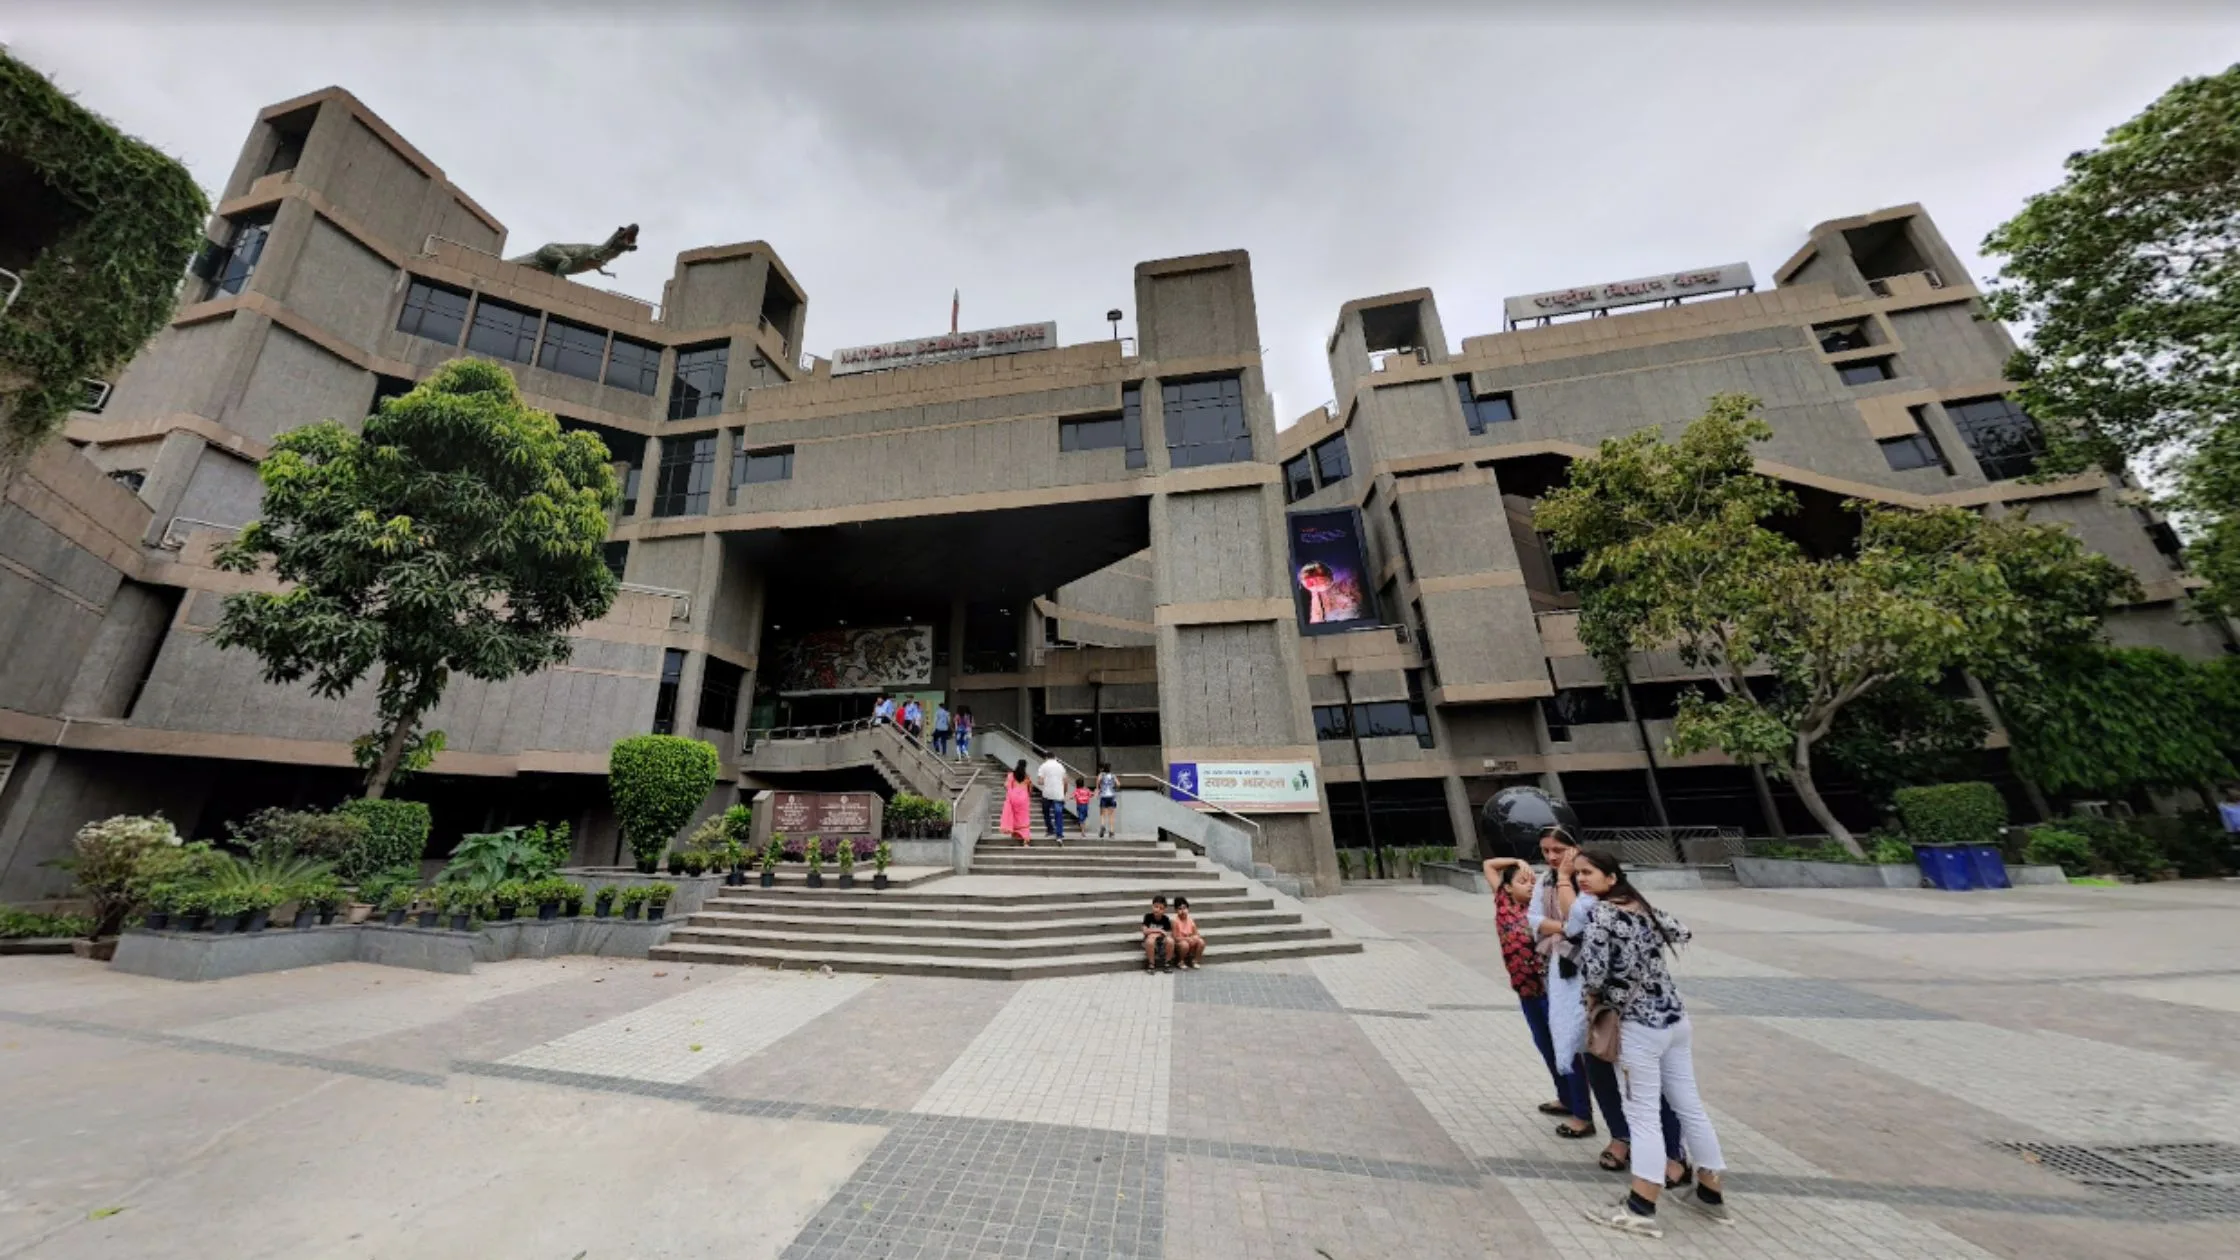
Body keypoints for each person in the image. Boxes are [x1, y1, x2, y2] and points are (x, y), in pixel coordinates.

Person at [1574, 849, 1731, 1237]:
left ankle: (1641, 1206)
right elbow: (1682, 931)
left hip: (1637, 1027)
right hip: (1675, 1019)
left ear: (1611, 878)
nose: (1581, 879)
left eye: (1588, 872)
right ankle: (1711, 1194)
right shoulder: (1643, 909)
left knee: (1641, 1113)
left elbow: (1593, 975)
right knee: (1689, 1104)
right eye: (1578, 873)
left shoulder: (1603, 917)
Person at [1482, 855, 1577, 1121]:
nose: (1530, 886)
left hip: (1550, 990)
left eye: (1532, 881)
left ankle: (1581, 1108)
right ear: (1508, 888)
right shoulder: (1503, 903)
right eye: (1523, 881)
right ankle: (1566, 1098)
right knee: (1545, 1045)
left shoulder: (1541, 910)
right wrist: (1518, 861)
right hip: (1526, 992)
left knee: (1564, 1047)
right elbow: (1489, 865)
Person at [1036, 752, 1069, 844]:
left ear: (1046, 757)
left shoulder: (1043, 766)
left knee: (1046, 812)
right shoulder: (1061, 766)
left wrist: (1047, 781)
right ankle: (1059, 835)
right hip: (1058, 794)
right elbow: (1066, 781)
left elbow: (1040, 781)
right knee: (1058, 814)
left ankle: (1050, 829)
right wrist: (1064, 793)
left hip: (1047, 794)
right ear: (1055, 757)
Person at [1001, 760, 1034, 846]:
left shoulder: (1011, 775)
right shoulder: (1027, 777)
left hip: (1013, 797)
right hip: (1023, 798)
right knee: (1024, 818)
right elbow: (1030, 790)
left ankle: (1014, 834)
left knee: (1014, 816)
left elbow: (1006, 785)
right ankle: (1025, 840)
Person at [1141, 895, 1175, 972]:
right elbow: (1145, 931)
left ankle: (1167, 964)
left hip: (1161, 943)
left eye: (1161, 908)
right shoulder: (1148, 917)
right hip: (1149, 942)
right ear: (1152, 906)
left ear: (1164, 910)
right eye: (1156, 907)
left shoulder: (1165, 919)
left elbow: (1168, 933)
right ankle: (1151, 964)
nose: (1158, 910)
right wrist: (1159, 931)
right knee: (1150, 940)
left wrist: (1155, 934)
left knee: (1171, 941)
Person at [1171, 896, 1206, 969]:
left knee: (1201, 942)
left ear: (1187, 908)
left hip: (1190, 942)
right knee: (1184, 945)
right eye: (1180, 909)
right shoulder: (1175, 921)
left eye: (1184, 908)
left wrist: (1194, 938)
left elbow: (1197, 934)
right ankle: (1181, 961)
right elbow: (1175, 938)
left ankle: (1195, 961)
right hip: (1180, 944)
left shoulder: (1190, 920)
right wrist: (1187, 939)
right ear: (1176, 910)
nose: (1183, 911)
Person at [1097, 763, 1119, 838]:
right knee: (1111, 815)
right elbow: (1118, 784)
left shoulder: (1101, 775)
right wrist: (1114, 787)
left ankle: (1103, 826)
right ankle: (1111, 832)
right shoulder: (1113, 775)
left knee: (1102, 814)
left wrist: (1099, 788)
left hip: (1103, 796)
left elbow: (1098, 782)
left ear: (1103, 768)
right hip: (1111, 796)